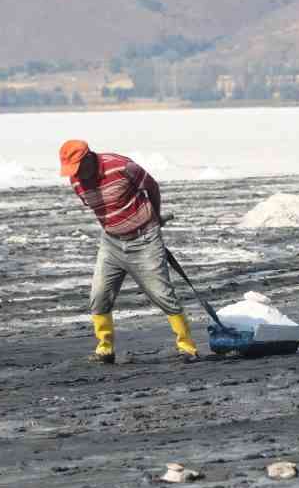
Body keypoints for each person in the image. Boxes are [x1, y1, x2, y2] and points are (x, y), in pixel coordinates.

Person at [58, 139, 199, 364]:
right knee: (99, 296)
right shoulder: (76, 181)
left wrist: (154, 218)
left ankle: (187, 347)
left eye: (77, 168)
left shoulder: (122, 166)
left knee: (162, 295)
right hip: (111, 243)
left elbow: (152, 187)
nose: (75, 174)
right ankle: (105, 349)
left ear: (88, 159)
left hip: (145, 240)